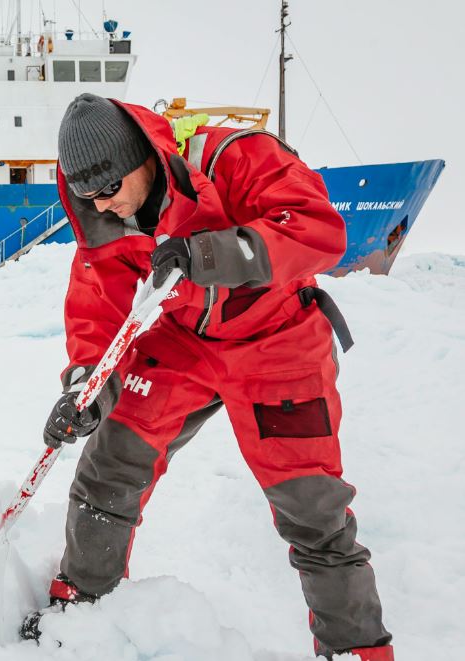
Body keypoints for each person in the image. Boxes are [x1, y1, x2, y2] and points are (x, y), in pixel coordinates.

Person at [22, 94, 393, 661]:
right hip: (180, 344)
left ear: (143, 156)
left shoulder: (233, 157)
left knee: (313, 510)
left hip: (277, 339)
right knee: (109, 464)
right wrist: (85, 386)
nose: (105, 204)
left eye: (111, 187)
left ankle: (357, 651)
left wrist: (214, 255)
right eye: (89, 195)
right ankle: (82, 609)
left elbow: (320, 230)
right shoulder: (102, 218)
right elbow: (100, 311)